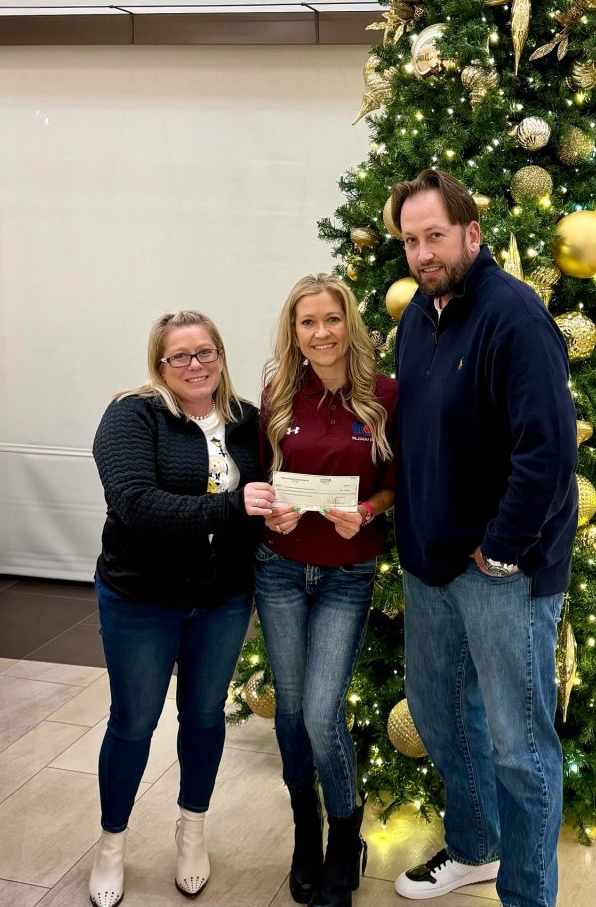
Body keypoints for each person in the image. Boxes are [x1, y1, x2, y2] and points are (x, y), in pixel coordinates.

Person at [389, 170, 578, 907]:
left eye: (436, 235)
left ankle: (528, 897)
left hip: (505, 572)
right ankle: (476, 849)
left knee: (520, 751)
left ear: (471, 233)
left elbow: (549, 452)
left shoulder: (515, 318)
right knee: (439, 718)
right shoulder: (419, 317)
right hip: (430, 564)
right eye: (411, 239)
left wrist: (501, 545)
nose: (423, 252)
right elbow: (414, 433)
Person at [90, 310, 274, 907]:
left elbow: (275, 487)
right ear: (160, 364)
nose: (196, 366)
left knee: (202, 718)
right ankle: (111, 843)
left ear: (221, 356)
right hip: (141, 597)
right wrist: (234, 507)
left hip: (220, 599)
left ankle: (192, 830)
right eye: (181, 357)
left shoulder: (247, 420)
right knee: (134, 722)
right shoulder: (131, 415)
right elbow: (137, 503)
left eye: (206, 353)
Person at [246, 273, 397, 907]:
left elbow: (395, 486)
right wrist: (271, 512)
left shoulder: (384, 396)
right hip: (280, 569)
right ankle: (305, 833)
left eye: (331, 319)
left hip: (347, 573)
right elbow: (264, 481)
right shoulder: (279, 394)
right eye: (307, 322)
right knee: (288, 710)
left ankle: (344, 830)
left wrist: (364, 512)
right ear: (294, 332)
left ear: (349, 323)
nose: (321, 333)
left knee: (320, 710)